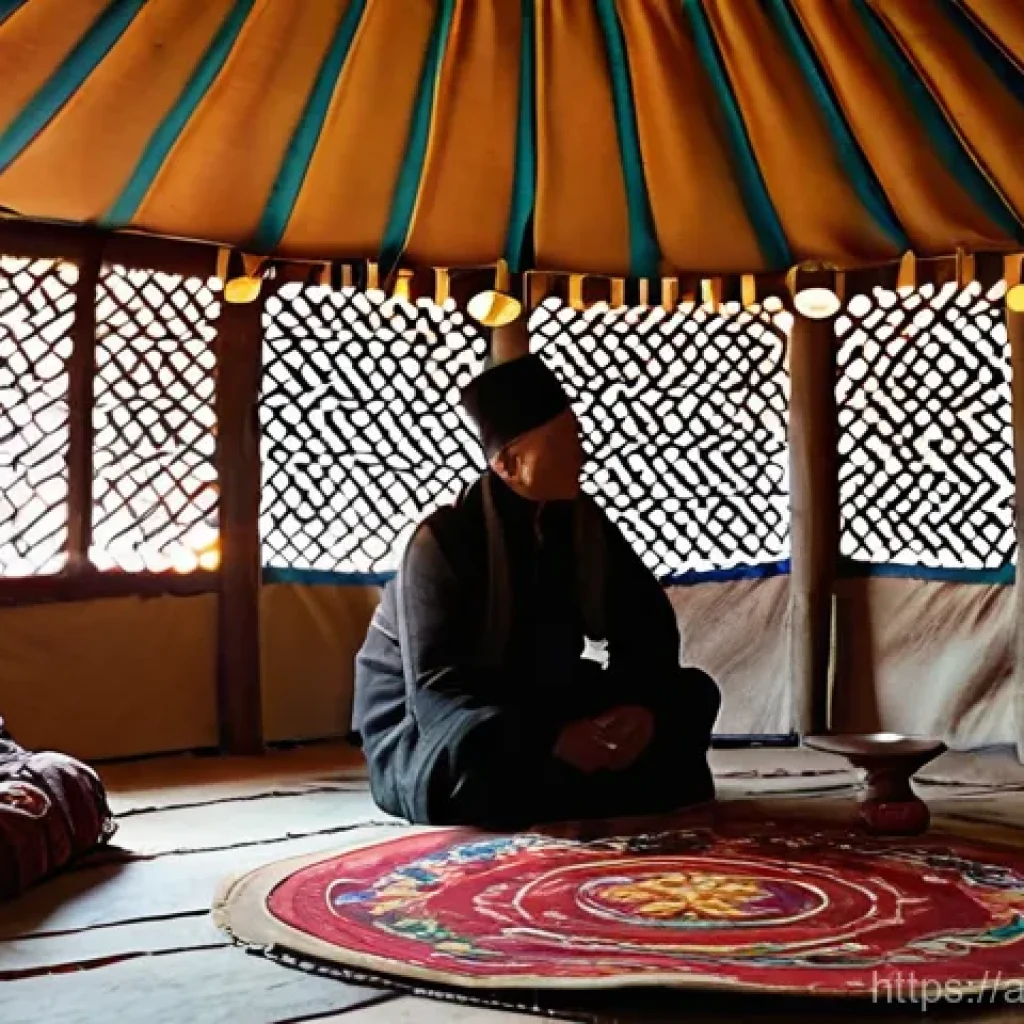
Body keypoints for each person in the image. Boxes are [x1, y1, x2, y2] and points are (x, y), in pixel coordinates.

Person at [352, 345, 720, 828]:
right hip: (436, 725)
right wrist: (549, 737)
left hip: (544, 696)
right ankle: (588, 784)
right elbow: (436, 692)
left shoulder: (585, 523)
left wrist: (638, 707)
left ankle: (577, 781)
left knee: (692, 695)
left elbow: (647, 627)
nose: (582, 455)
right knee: (477, 761)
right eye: (563, 442)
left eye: (578, 438)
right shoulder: (442, 542)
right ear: (508, 464)